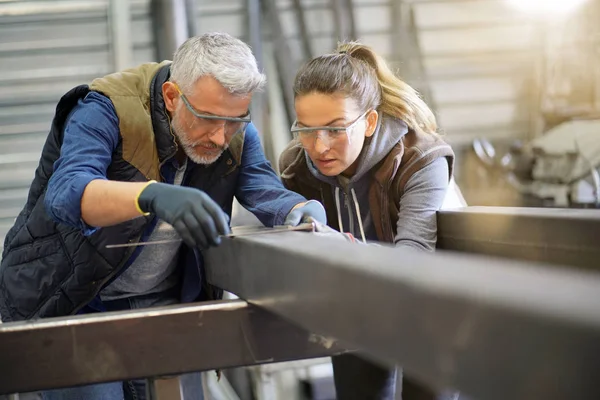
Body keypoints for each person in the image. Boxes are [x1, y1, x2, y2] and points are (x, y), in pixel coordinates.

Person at [0, 32, 325, 399]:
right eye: (208, 119)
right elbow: (66, 192)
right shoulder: (105, 109)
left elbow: (262, 189)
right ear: (172, 97)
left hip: (164, 304)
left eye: (234, 121)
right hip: (76, 303)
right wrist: (149, 194)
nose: (220, 138)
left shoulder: (232, 127)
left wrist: (298, 209)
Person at [279, 42, 456, 399]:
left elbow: (413, 256)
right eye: (307, 129)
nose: (320, 146)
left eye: (336, 129)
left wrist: (344, 254)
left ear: (370, 121)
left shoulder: (421, 160)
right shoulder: (298, 168)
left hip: (431, 306)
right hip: (357, 304)